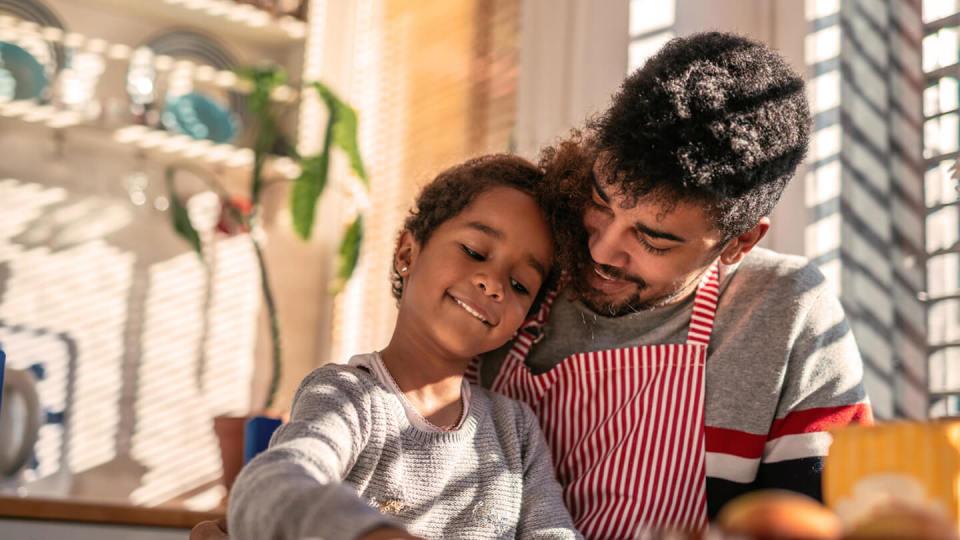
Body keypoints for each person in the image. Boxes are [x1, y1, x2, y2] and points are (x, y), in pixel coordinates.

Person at [476, 32, 872, 538]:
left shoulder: (784, 312)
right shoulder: (521, 262)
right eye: (601, 202)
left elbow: (829, 524)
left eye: (653, 240)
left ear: (739, 242)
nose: (600, 251)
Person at [227, 155, 581, 540]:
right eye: (476, 252)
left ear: (524, 321)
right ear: (407, 254)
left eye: (519, 285)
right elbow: (273, 483)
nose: (493, 283)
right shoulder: (346, 397)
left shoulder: (516, 431)